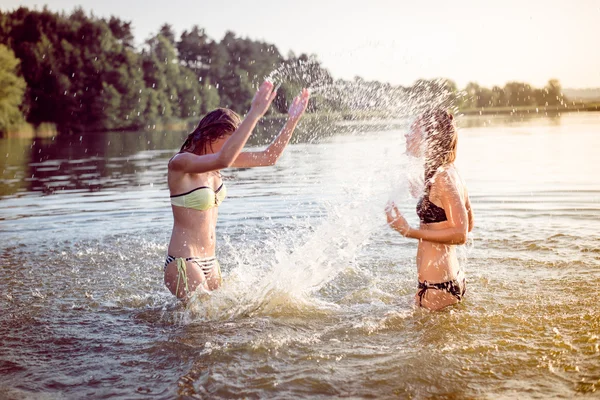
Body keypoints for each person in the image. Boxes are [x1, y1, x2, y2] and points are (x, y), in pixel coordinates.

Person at [164, 81, 310, 300]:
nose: (236, 148)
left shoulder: (218, 162)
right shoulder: (181, 163)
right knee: (204, 326)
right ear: (210, 135)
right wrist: (254, 113)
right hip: (184, 262)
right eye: (230, 141)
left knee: (218, 328)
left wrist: (292, 120)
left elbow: (269, 157)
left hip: (211, 263)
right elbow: (224, 158)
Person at [386, 109, 474, 311]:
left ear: (430, 138)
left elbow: (461, 234)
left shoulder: (443, 177)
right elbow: (469, 224)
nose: (407, 135)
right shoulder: (447, 173)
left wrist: (410, 232)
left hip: (437, 289)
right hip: (443, 283)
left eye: (413, 130)